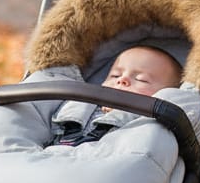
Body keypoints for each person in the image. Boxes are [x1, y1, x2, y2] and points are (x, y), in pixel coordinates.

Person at [52, 44, 184, 146]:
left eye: (141, 79)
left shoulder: (149, 126)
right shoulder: (77, 106)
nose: (122, 80)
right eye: (115, 75)